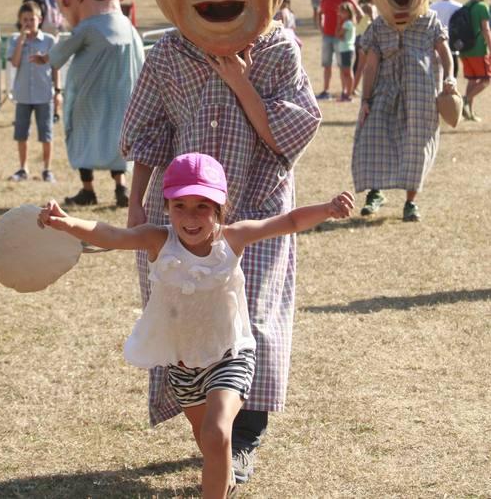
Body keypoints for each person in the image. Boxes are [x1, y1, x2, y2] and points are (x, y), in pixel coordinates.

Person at [122, 0, 321, 485]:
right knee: (180, 324)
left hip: (253, 217)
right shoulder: (166, 56)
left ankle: (240, 435)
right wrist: (134, 215)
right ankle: (205, 422)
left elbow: (284, 140)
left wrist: (239, 78)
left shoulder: (276, 53)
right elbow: (146, 137)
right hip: (176, 223)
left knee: (252, 321)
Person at [38, 152, 354, 499]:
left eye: (202, 206)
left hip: (230, 356)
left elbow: (289, 221)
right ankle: (223, 479)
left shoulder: (233, 238)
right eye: (180, 206)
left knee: (218, 432)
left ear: (220, 206)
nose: (190, 217)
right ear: (167, 206)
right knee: (207, 438)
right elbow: (111, 235)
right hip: (184, 366)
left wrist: (327, 209)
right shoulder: (157, 240)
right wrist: (66, 223)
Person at [352, 0, 458, 223]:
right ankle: (375, 192)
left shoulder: (429, 24)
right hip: (385, 92)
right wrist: (366, 99)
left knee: (416, 144)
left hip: (421, 94)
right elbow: (371, 65)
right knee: (373, 138)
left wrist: (449, 79)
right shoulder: (378, 28)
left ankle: (410, 202)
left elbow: (445, 55)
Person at [33, 0, 144, 207]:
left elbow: (63, 49)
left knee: (85, 137)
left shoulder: (88, 27)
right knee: (117, 139)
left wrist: (47, 58)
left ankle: (89, 188)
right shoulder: (128, 28)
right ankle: (120, 187)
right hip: (122, 102)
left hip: (88, 101)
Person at [7, 1, 59, 183]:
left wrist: (58, 90)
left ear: (40, 20)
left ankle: (47, 169)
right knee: (21, 134)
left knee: (46, 134)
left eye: (32, 19)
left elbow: (55, 67)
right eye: (24, 20)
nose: (28, 23)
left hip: (44, 94)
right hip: (22, 95)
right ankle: (23, 168)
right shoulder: (15, 40)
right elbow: (14, 63)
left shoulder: (49, 41)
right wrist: (21, 41)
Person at [316, 0, 362, 100]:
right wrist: (321, 28)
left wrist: (352, 29)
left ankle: (345, 92)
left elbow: (359, 13)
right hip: (327, 36)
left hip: (341, 39)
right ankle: (326, 91)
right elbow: (320, 14)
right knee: (327, 65)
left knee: (343, 67)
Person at [459, 0, 491, 122]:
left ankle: (469, 113)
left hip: (465, 51)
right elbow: (486, 30)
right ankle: (464, 100)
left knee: (472, 81)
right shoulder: (482, 6)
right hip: (478, 50)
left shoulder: (465, 6)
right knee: (486, 79)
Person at [430, 0, 463, 80]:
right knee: (450, 80)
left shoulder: (432, 7)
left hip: (433, 49)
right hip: (451, 48)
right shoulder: (459, 8)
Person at [352, 0, 377, 95]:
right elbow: (374, 22)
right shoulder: (369, 7)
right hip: (365, 37)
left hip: (359, 36)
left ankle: (353, 88)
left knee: (359, 66)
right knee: (361, 66)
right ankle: (352, 89)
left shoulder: (361, 6)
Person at [335, 3, 355, 102]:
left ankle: (349, 94)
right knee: (345, 72)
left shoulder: (347, 23)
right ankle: (346, 93)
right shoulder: (346, 23)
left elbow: (339, 34)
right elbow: (338, 35)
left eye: (342, 12)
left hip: (347, 49)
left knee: (347, 72)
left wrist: (338, 24)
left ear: (348, 13)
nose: (340, 14)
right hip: (344, 49)